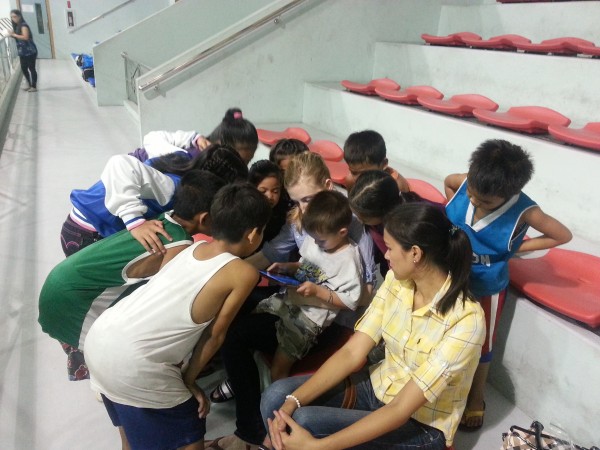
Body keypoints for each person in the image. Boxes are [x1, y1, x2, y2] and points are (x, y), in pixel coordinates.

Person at [261, 202, 485, 450]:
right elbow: (351, 352)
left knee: (306, 423)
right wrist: (294, 399)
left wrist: (317, 446)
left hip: (420, 423)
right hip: (377, 387)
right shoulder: (398, 281)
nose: (385, 256)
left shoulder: (466, 320)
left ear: (415, 254)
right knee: (276, 398)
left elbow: (401, 408)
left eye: (389, 249)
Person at [206, 152, 376, 450]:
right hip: (297, 298)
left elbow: (365, 294)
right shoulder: (302, 216)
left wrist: (319, 292)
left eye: (308, 199)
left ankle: (253, 430)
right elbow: (272, 253)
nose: (302, 208)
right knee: (238, 305)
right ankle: (243, 379)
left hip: (326, 320)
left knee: (237, 335)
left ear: (326, 185)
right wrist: (223, 269)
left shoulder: (349, 225)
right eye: (296, 201)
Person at [84, 184, 272, 450]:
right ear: (253, 234)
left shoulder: (190, 248)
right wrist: (187, 381)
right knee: (190, 426)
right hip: (133, 362)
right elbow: (216, 335)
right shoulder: (243, 273)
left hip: (101, 336)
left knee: (132, 432)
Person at [39, 171, 226, 381]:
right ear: (205, 218)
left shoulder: (160, 219)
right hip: (69, 300)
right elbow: (162, 304)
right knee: (109, 358)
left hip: (59, 278)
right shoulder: (179, 244)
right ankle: (105, 385)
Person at [444, 139, 572, 430]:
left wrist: (518, 247)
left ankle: (477, 398)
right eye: (473, 195)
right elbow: (449, 184)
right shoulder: (468, 183)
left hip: (486, 285)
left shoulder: (527, 211)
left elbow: (562, 235)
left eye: (484, 201)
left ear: (511, 192)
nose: (474, 202)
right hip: (453, 271)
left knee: (483, 345)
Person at [61, 144, 247, 256]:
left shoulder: (180, 161)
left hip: (81, 228)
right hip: (87, 232)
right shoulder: (174, 186)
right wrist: (135, 221)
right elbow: (120, 163)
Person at [255, 190, 365, 381]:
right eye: (313, 238)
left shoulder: (348, 260)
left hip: (310, 320)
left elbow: (350, 302)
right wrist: (288, 267)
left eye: (320, 240)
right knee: (254, 314)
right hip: (290, 299)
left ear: (342, 232)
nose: (315, 243)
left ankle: (276, 400)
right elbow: (305, 264)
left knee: (280, 365)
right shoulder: (317, 239)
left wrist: (318, 291)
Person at [349, 170, 422, 275]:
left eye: (364, 218)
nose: (360, 221)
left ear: (383, 213)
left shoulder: (407, 229)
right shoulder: (379, 221)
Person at [135, 108, 259, 165]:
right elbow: (151, 138)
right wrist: (180, 157)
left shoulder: (222, 164)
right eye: (241, 161)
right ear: (221, 146)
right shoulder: (193, 160)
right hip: (134, 168)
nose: (244, 167)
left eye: (248, 161)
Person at [342, 130, 410, 192]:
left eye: (367, 174)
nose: (361, 180)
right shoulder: (351, 181)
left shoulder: (397, 187)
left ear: (384, 164)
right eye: (354, 173)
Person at [248, 160, 292, 247]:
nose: (269, 196)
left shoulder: (285, 214)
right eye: (263, 191)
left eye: (275, 191)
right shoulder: (244, 213)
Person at [9, 9, 38, 92]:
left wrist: (14, 34)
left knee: (31, 68)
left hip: (30, 51)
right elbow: (18, 36)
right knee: (24, 68)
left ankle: (34, 86)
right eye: (11, 17)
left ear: (19, 16)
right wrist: (11, 35)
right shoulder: (17, 26)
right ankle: (29, 84)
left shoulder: (23, 25)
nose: (13, 19)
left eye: (14, 16)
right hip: (22, 52)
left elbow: (25, 37)